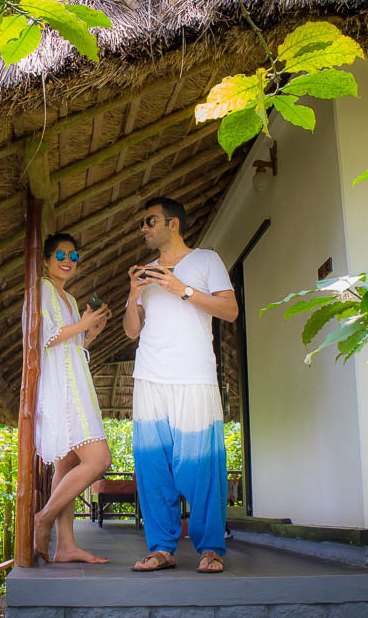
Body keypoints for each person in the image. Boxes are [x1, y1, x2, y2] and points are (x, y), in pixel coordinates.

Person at [122, 197, 239, 573]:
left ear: (173, 224)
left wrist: (182, 289)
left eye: (149, 221)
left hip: (194, 375)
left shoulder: (207, 260)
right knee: (152, 465)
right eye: (142, 223)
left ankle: (211, 548)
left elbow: (230, 311)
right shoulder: (145, 272)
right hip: (150, 376)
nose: (144, 228)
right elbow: (131, 331)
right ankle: (161, 548)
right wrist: (133, 294)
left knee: (203, 464)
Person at [31, 233, 113, 564]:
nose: (68, 260)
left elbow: (74, 347)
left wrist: (91, 330)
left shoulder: (69, 297)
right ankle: (44, 517)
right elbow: (43, 337)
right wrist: (82, 323)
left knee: (66, 466)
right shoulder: (41, 289)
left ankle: (66, 545)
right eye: (61, 255)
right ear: (48, 259)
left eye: (74, 256)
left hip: (74, 379)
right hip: (61, 387)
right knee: (98, 460)